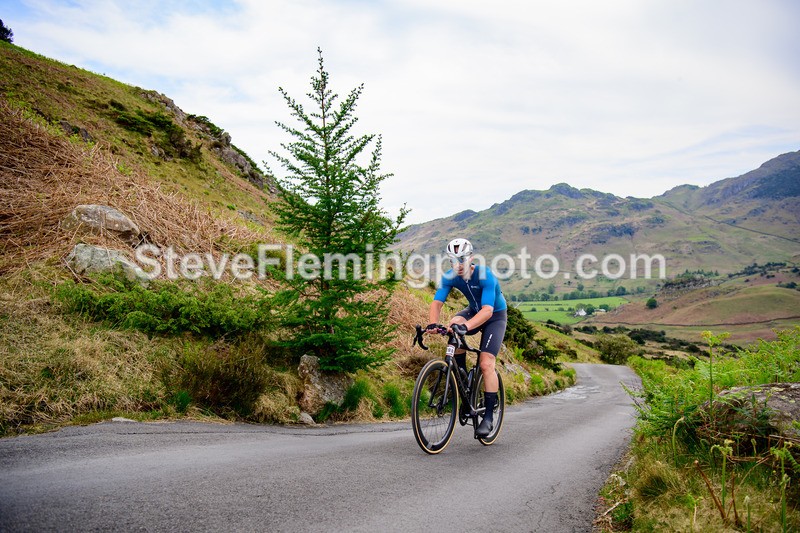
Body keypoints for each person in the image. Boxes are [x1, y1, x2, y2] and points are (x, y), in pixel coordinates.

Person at [426, 237, 507, 438]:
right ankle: (462, 382)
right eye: (453, 260)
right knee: (453, 325)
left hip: (494, 316)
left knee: (486, 364)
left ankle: (488, 417)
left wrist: (466, 326)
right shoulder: (449, 276)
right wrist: (433, 324)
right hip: (473, 311)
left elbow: (487, 311)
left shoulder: (485, 275)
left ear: (471, 258)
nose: (458, 265)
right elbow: (437, 303)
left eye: (462, 259)